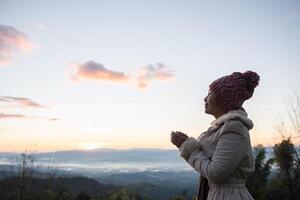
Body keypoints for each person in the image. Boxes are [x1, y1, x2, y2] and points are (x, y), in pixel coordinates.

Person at [170, 71, 260, 200]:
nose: (205, 98)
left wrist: (187, 147)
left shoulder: (235, 129)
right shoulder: (222, 128)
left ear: (224, 100)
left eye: (210, 93)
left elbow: (216, 173)